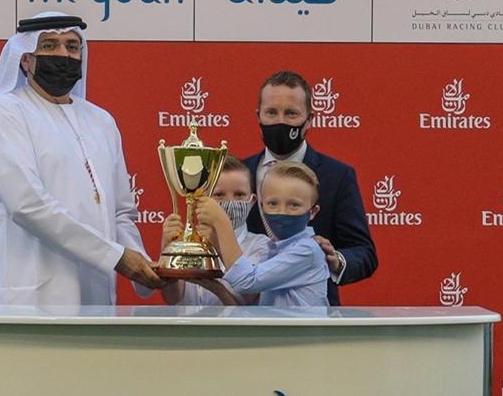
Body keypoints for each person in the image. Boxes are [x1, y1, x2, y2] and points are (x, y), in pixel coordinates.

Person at [0, 12, 161, 307]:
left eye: (71, 46)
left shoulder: (101, 121)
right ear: (25, 59)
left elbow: (120, 212)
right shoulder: (5, 113)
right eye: (49, 46)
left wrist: (142, 266)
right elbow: (27, 204)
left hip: (96, 297)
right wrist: (115, 257)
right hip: (29, 298)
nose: (63, 54)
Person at [241, 70, 375, 305]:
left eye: (291, 114)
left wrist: (335, 259)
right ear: (258, 116)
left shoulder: (338, 176)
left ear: (309, 119)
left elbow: (364, 252)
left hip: (311, 321)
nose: (280, 121)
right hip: (242, 315)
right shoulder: (238, 174)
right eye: (271, 112)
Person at [198, 160, 330, 308]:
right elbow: (249, 300)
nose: (282, 211)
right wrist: (217, 287)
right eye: (273, 203)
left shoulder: (307, 250)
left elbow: (246, 281)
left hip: (300, 331)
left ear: (312, 212)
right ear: (262, 207)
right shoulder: (271, 248)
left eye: (294, 205)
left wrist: (221, 222)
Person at [160, 155, 267, 306]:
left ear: (253, 200)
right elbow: (173, 298)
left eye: (239, 195)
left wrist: (216, 288)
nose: (230, 201)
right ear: (202, 199)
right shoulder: (187, 242)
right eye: (219, 195)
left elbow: (247, 305)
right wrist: (167, 251)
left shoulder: (262, 246)